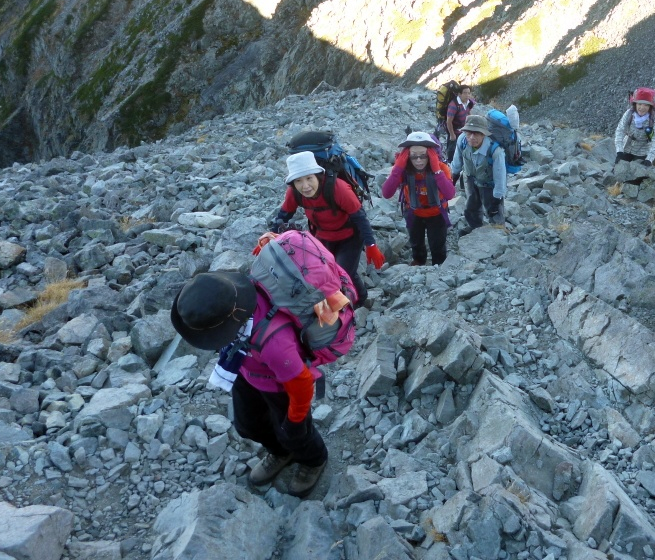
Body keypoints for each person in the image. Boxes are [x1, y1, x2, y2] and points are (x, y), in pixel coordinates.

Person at [170, 268, 349, 495]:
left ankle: (314, 460)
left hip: (278, 386)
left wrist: (294, 422)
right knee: (247, 425)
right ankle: (280, 452)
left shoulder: (275, 344)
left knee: (294, 434)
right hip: (246, 368)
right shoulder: (234, 298)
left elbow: (302, 384)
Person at [270, 151, 385, 307]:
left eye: (309, 178)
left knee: (342, 272)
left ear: (318, 175)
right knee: (327, 272)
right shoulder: (294, 193)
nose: (305, 186)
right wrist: (269, 238)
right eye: (298, 181)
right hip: (322, 236)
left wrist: (370, 244)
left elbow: (360, 217)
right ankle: (342, 300)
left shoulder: (338, 188)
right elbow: (284, 215)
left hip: (350, 237)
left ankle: (360, 301)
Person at [381, 132, 455, 265]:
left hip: (437, 213)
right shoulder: (404, 170)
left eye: (423, 156)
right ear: (407, 157)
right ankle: (419, 262)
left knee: (438, 245)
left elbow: (450, 194)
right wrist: (398, 168)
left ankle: (439, 267)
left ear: (431, 155)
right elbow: (386, 193)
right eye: (414, 157)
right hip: (414, 212)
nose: (419, 161)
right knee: (416, 243)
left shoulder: (442, 168)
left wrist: (437, 170)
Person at [450, 114, 506, 235]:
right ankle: (475, 228)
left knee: (494, 210)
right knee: (471, 206)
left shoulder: (495, 151)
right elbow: (457, 162)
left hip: (489, 183)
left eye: (476, 133)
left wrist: (497, 198)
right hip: (470, 178)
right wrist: (452, 178)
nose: (471, 137)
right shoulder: (462, 141)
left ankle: (498, 232)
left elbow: (500, 177)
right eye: (468, 133)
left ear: (484, 134)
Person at [614, 88, 655, 166]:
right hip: (626, 148)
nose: (642, 108)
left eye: (646, 105)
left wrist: (649, 159)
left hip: (643, 151)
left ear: (650, 106)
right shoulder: (629, 114)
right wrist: (619, 151)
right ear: (635, 104)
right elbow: (620, 130)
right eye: (639, 104)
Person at [444, 84, 476, 165]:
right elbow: (449, 121)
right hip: (454, 130)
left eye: (469, 93)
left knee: (462, 146)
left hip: (463, 129)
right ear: (459, 94)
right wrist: (452, 134)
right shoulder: (453, 105)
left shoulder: (467, 102)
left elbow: (468, 112)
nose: (467, 95)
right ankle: (450, 163)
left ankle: (461, 162)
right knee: (453, 147)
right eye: (465, 93)